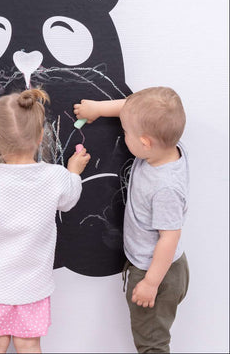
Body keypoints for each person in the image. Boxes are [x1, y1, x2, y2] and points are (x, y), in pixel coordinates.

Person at [0, 88, 90, 354]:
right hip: (33, 287)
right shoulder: (55, 176)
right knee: (29, 345)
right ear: (40, 136)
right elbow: (69, 199)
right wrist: (73, 171)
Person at [74, 87, 190, 353]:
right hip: (157, 267)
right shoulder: (168, 145)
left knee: (152, 344)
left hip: (157, 272)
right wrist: (99, 109)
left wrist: (150, 282)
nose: (123, 134)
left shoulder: (165, 188)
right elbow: (134, 108)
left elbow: (169, 237)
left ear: (145, 142)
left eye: (126, 132)